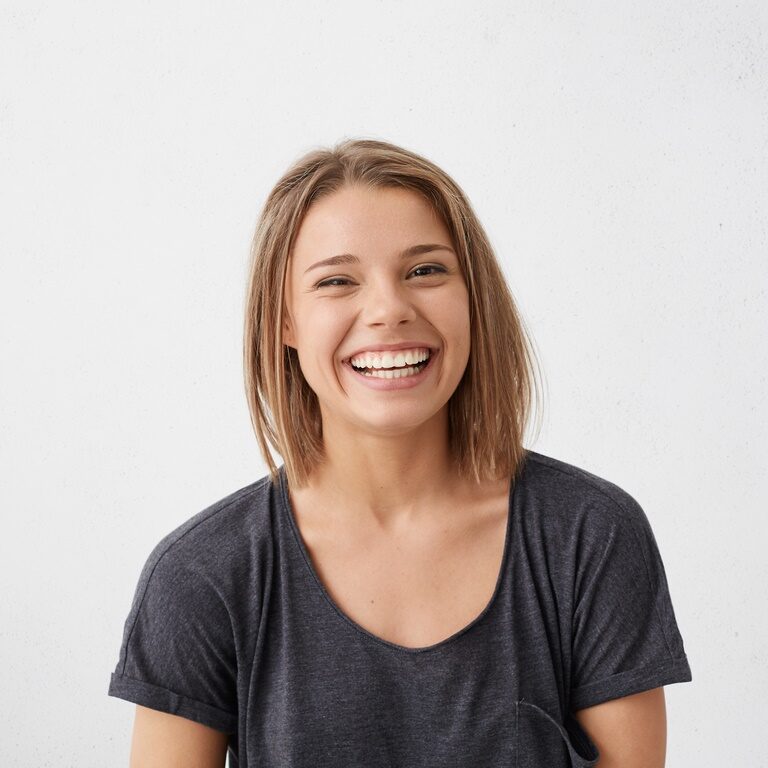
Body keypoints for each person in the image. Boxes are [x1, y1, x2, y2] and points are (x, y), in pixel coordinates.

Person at [108, 138, 692, 767]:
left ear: (475, 297)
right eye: (336, 280)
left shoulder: (590, 536)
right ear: (283, 322)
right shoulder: (201, 576)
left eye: (425, 270)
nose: (388, 309)